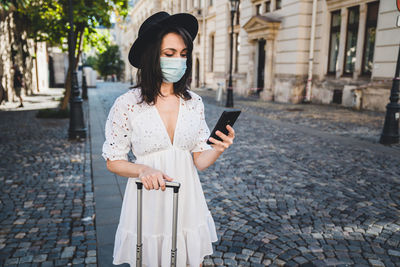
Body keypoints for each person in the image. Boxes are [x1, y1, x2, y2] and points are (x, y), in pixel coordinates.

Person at [102, 12, 236, 267]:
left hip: (188, 199)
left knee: (190, 261)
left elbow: (199, 160)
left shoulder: (194, 103)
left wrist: (219, 148)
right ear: (152, 56)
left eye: (183, 54)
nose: (178, 60)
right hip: (148, 200)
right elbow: (113, 160)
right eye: (170, 53)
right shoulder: (128, 104)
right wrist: (142, 169)